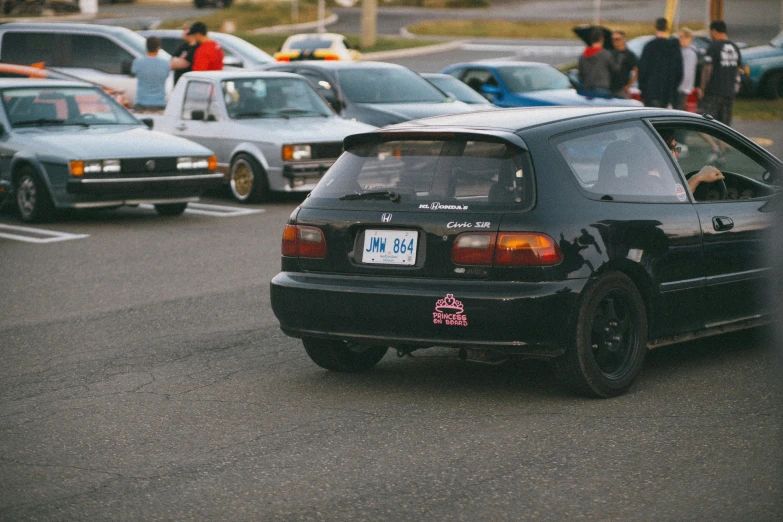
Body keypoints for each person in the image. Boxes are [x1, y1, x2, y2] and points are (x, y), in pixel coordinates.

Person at [699, 20, 742, 126]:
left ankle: (712, 143)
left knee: (708, 123)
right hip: (729, 92)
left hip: (714, 91)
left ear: (714, 31)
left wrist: (702, 88)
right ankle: (721, 143)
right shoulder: (735, 48)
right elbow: (738, 70)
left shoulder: (713, 47)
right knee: (725, 126)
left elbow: (707, 69)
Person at [638, 17, 683, 108]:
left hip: (651, 91)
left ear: (655, 28)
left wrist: (643, 89)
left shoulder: (649, 46)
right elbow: (679, 71)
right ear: (667, 29)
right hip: (669, 91)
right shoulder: (674, 47)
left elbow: (643, 70)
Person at [131, 36, 169, 112]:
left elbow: (133, 72)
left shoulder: (138, 62)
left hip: (141, 103)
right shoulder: (165, 63)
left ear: (146, 47)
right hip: (159, 103)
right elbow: (166, 75)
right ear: (158, 48)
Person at [578, 27, 617, 94]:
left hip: (587, 88)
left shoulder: (583, 56)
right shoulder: (606, 54)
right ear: (602, 39)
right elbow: (615, 71)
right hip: (603, 88)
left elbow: (580, 74)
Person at [675, 27, 699, 110]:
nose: (682, 39)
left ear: (690, 39)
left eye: (685, 37)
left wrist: (681, 86)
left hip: (682, 88)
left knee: (679, 109)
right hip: (681, 87)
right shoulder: (681, 50)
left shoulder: (689, 53)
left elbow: (687, 72)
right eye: (680, 37)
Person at [610, 31, 637, 98]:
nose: (615, 41)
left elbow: (637, 71)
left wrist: (628, 86)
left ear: (623, 40)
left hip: (622, 89)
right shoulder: (611, 53)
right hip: (610, 88)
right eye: (613, 39)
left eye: (617, 39)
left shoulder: (629, 55)